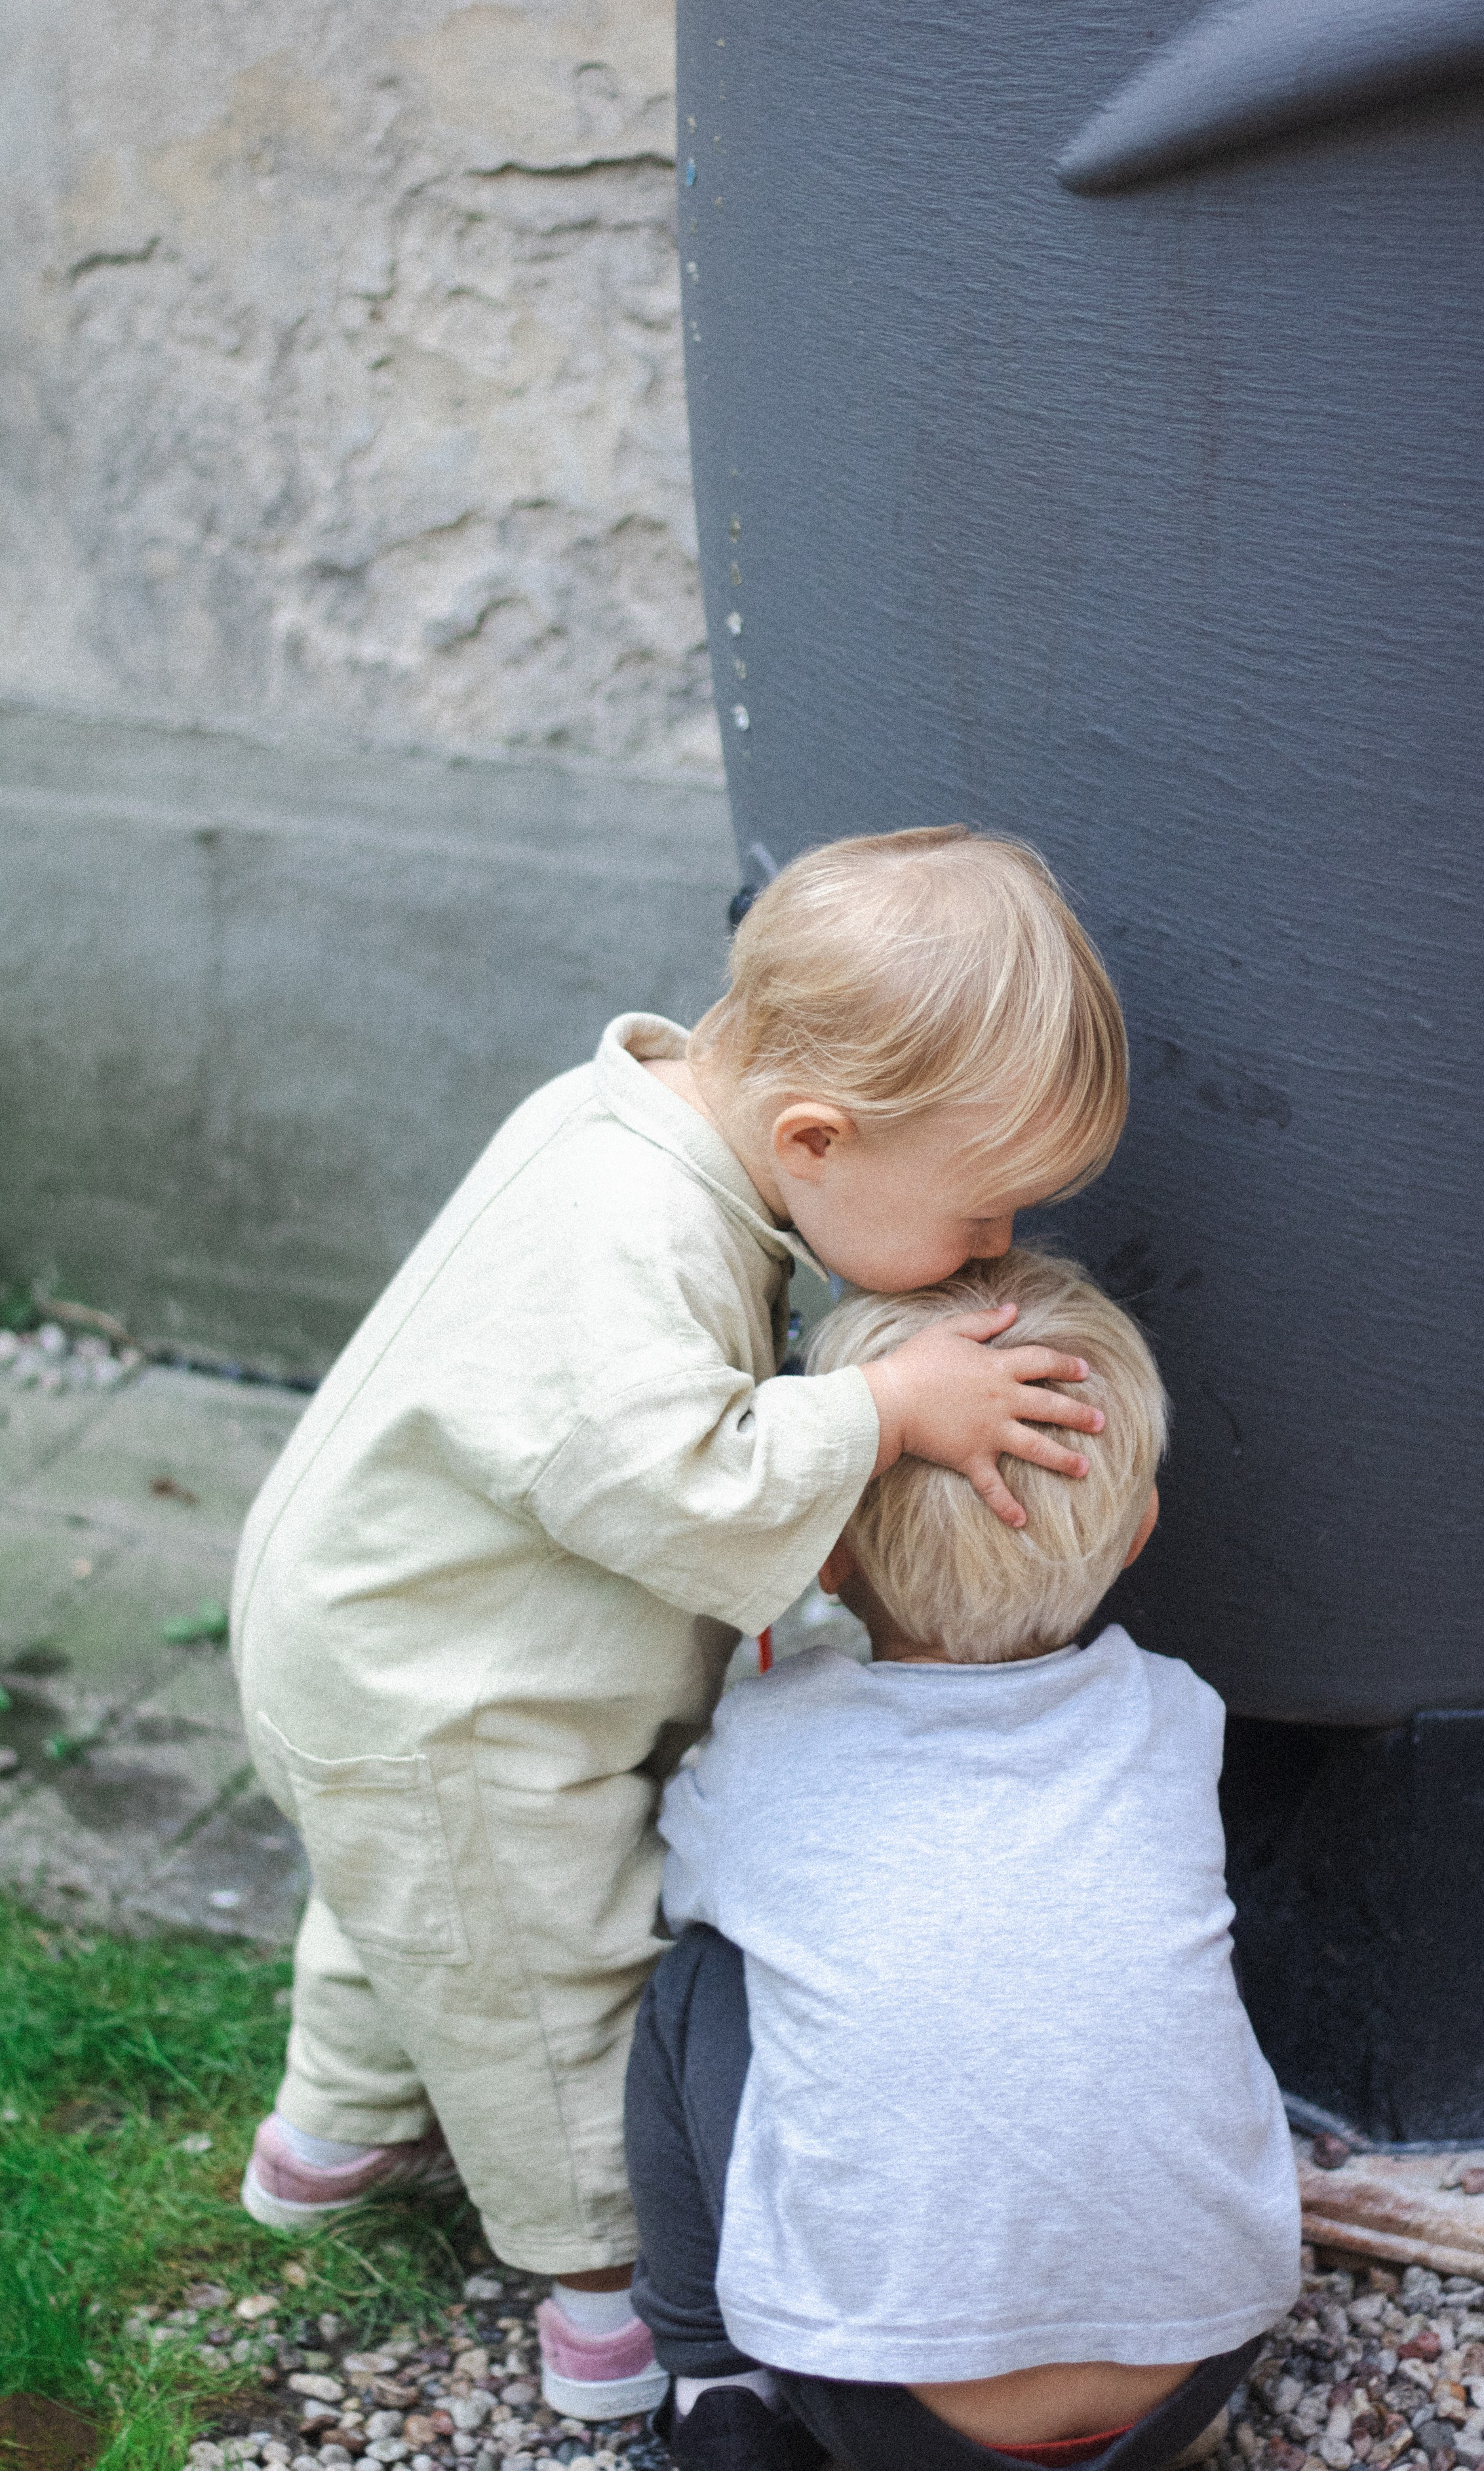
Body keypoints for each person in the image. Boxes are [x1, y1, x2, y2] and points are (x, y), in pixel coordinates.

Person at [229, 827, 1129, 2421]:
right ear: (815, 1138)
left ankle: (331, 2133)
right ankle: (601, 2307)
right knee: (547, 1973)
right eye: (982, 1216)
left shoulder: (625, 1126)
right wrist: (878, 1409)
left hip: (369, 1632)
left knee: (417, 1907)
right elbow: (662, 1476)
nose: (993, 1250)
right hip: (452, 1696)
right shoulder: (634, 1235)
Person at [626, 1246, 1301, 2471]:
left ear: (823, 1553)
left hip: (887, 2409)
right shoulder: (1177, 1716)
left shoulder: (777, 1736)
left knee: (695, 1988)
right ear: (1141, 1527)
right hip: (1192, 2375)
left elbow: (690, 1896)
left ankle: (709, 2379)